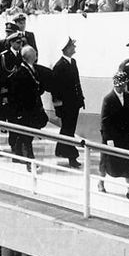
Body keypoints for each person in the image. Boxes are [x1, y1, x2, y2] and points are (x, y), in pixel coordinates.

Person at [98, 72, 129, 200]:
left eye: (124, 86)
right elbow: (105, 122)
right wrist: (109, 140)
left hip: (125, 138)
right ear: (115, 85)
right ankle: (100, 183)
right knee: (105, 163)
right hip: (111, 137)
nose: (122, 88)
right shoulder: (108, 99)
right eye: (120, 86)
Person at [7, 45, 47, 167]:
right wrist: (18, 113)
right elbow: (16, 95)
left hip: (32, 108)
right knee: (27, 136)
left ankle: (18, 155)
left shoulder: (31, 69)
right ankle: (30, 160)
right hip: (24, 110)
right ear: (31, 57)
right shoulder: (20, 73)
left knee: (26, 135)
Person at [50, 37, 85, 168]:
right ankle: (71, 156)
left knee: (69, 129)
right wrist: (58, 108)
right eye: (72, 46)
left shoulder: (73, 62)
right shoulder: (59, 67)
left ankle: (61, 150)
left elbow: (77, 82)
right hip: (65, 106)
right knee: (68, 130)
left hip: (74, 104)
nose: (74, 48)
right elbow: (55, 90)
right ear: (67, 49)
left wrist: (81, 98)